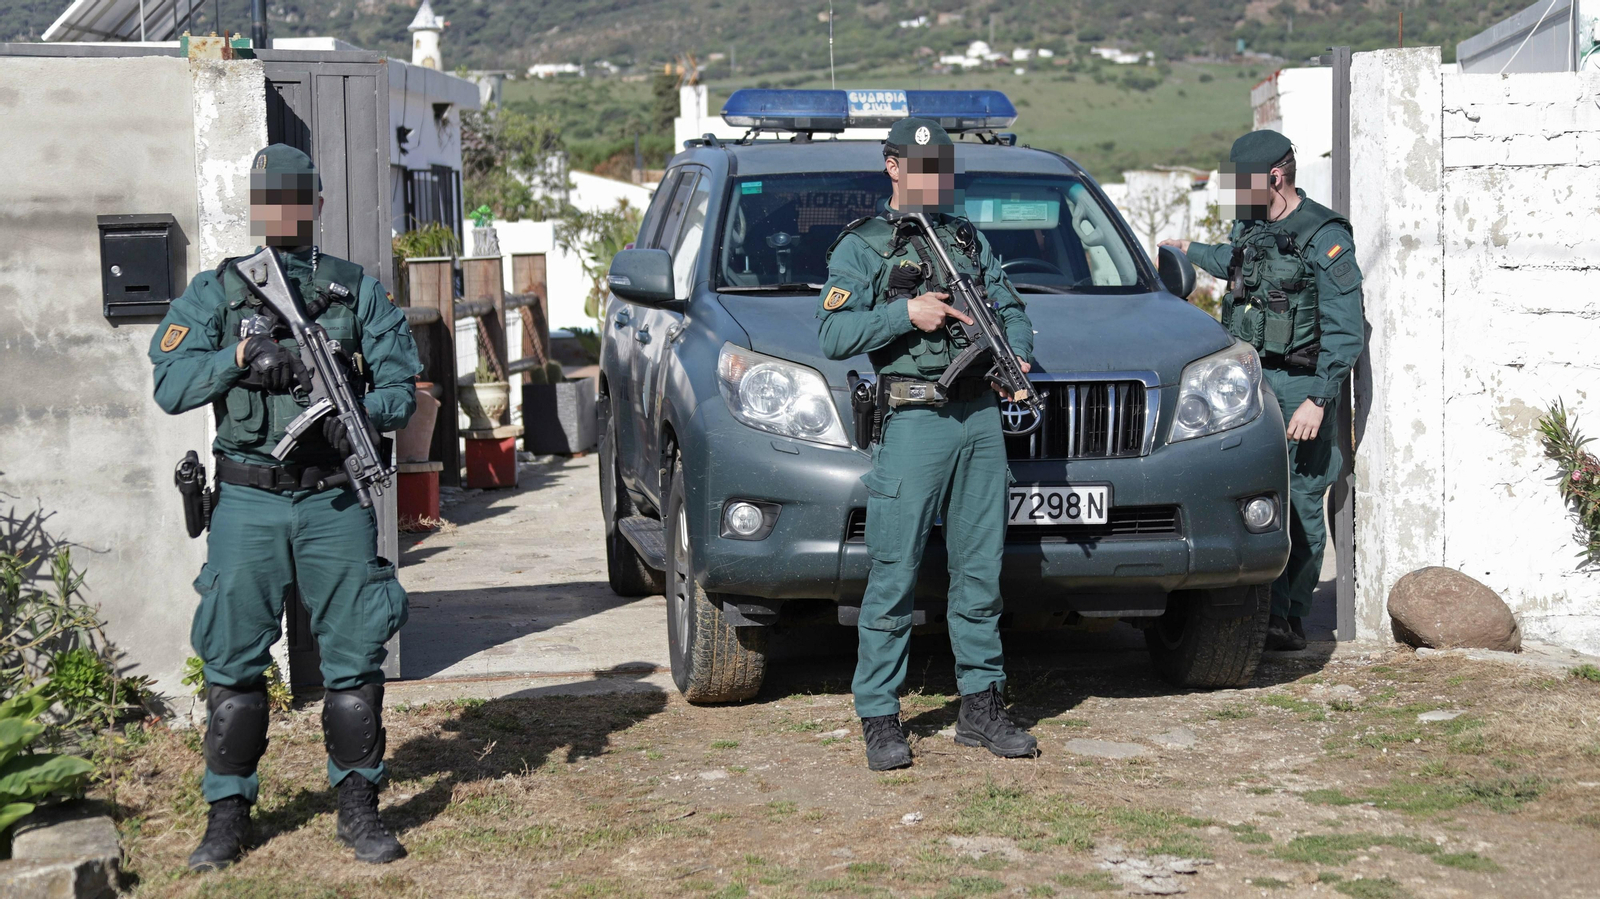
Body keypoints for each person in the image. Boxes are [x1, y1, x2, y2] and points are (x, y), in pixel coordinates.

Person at [148, 144, 422, 869]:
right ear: (256, 207)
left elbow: (403, 391)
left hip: (333, 496)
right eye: (272, 199)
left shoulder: (354, 291)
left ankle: (359, 807)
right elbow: (171, 385)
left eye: (297, 198)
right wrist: (239, 360)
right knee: (234, 661)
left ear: (317, 204)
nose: (286, 213)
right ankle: (227, 813)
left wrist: (353, 410)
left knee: (355, 656)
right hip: (247, 500)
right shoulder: (222, 291)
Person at [817, 117, 1039, 771]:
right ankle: (880, 715)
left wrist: (1015, 357)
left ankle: (981, 705)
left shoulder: (965, 239)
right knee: (894, 570)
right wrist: (904, 315)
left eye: (940, 165)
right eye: (920, 165)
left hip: (978, 419)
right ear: (892, 166)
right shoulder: (862, 247)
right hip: (915, 419)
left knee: (980, 570)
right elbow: (831, 335)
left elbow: (1012, 306)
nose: (932, 177)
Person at [1161, 130, 1364, 652]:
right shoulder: (1250, 225)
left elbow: (1346, 330)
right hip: (1251, 380)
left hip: (1301, 386)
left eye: (1244, 182)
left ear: (1275, 177)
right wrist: (1187, 250)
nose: (1236, 192)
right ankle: (1250, 610)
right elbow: (1235, 262)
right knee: (1248, 494)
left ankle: (1289, 616)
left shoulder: (1324, 235)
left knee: (1300, 500)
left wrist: (1320, 399)